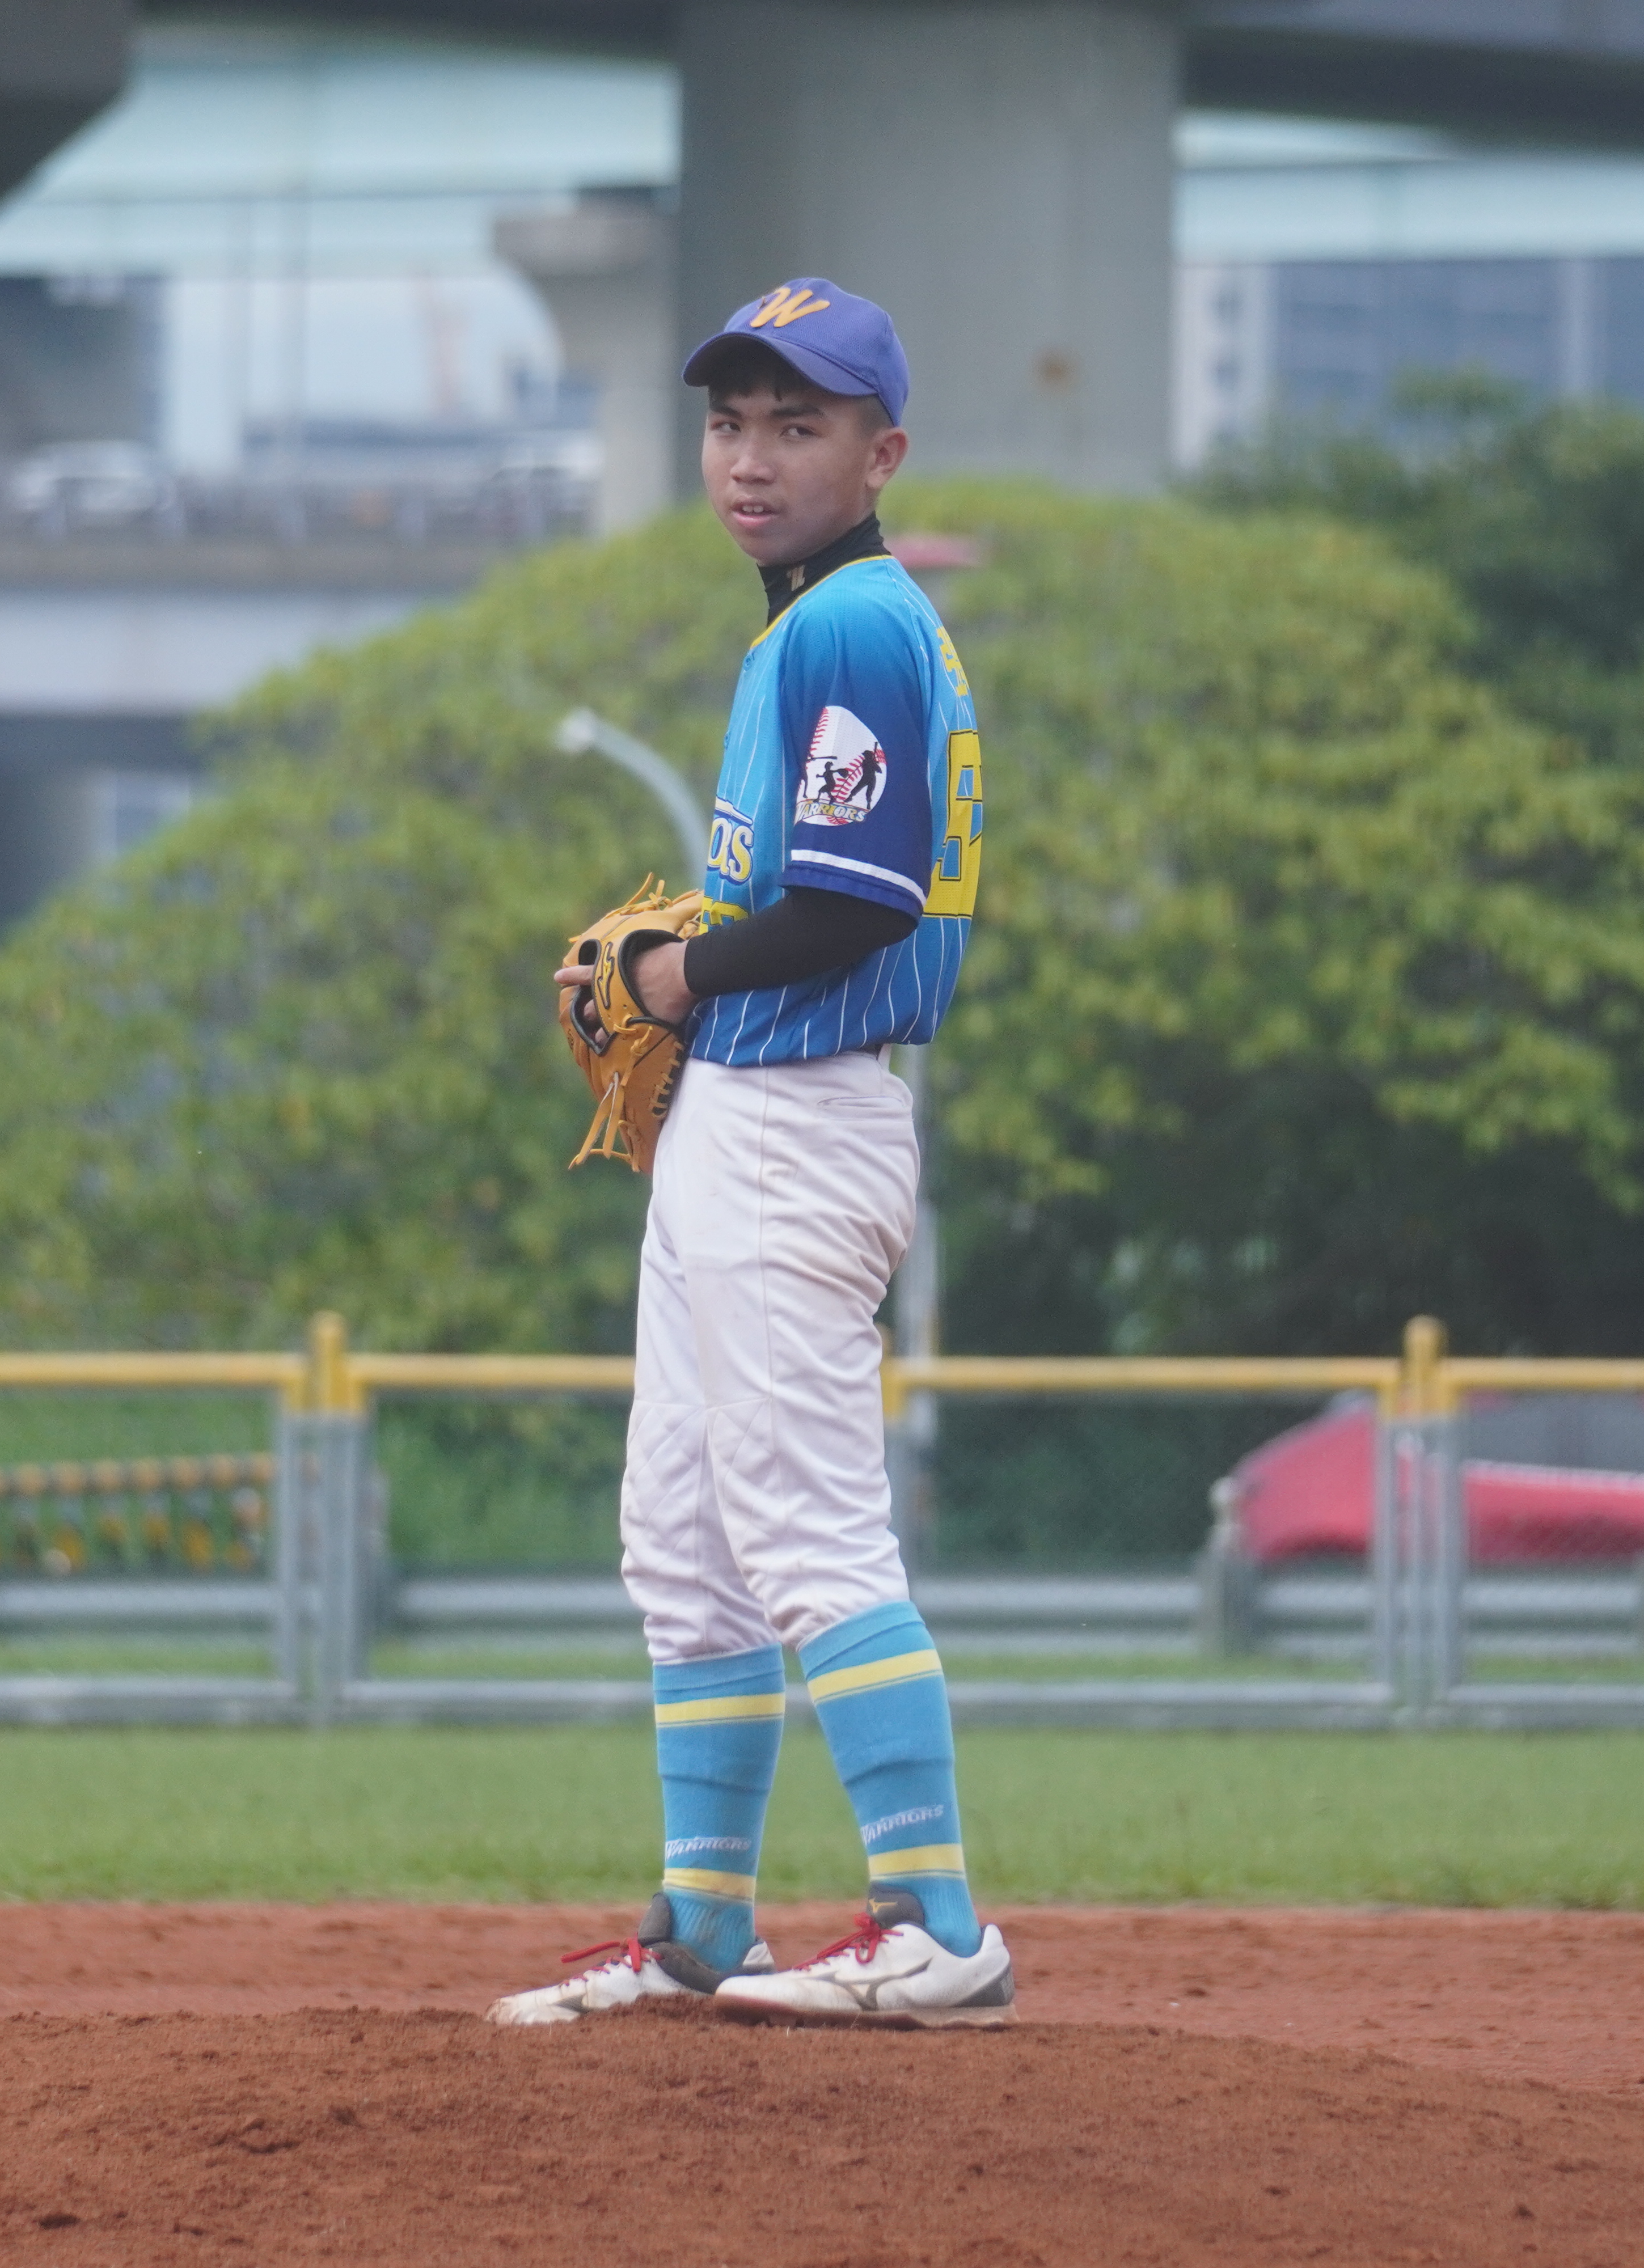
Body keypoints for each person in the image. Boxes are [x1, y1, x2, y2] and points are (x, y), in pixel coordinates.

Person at [489, 278, 1007, 2030]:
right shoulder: (813, 630)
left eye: (799, 424)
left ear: (882, 453)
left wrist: (669, 976)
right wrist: (695, 992)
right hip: (749, 1115)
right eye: (729, 422)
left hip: (802, 1111)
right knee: (686, 1534)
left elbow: (856, 901)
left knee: (801, 1530)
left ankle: (935, 1923)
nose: (752, 457)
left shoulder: (851, 625)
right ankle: (703, 1929)